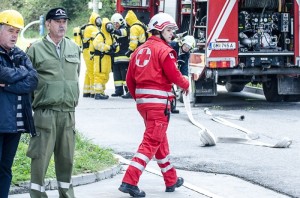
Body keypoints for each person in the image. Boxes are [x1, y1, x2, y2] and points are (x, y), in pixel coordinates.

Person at [118, 13, 189, 197]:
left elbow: (129, 80)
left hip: (144, 104)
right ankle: (129, 181)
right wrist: (186, 84)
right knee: (151, 142)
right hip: (159, 105)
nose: (172, 34)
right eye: (168, 30)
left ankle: (171, 179)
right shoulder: (164, 51)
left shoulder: (139, 51)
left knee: (159, 141)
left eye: (172, 30)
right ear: (158, 30)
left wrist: (140, 100)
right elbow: (174, 75)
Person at [26, 7, 81, 198]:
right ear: (48, 24)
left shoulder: (74, 48)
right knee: (40, 160)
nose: (62, 25)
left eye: (64, 21)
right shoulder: (35, 49)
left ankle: (67, 195)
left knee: (67, 160)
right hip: (45, 114)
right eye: (57, 21)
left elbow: (76, 76)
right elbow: (28, 83)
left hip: (68, 114)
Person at [0, 10, 38, 198]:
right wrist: (20, 73)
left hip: (14, 125)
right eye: (10, 30)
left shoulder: (19, 54)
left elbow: (33, 80)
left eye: (17, 31)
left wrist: (7, 85)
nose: (14, 35)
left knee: (6, 168)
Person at [122, 10, 149, 99]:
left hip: (137, 51)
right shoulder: (142, 25)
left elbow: (133, 42)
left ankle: (131, 91)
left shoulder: (134, 28)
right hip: (145, 50)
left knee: (133, 72)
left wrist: (129, 50)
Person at [91, 18, 119, 100]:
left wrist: (114, 48)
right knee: (99, 74)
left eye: (110, 26)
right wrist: (109, 47)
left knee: (105, 76)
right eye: (108, 26)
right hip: (100, 58)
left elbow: (116, 45)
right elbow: (97, 44)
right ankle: (98, 93)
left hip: (107, 57)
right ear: (104, 26)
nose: (110, 28)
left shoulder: (110, 36)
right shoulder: (100, 35)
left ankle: (101, 92)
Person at [170, 35, 195, 113]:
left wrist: (185, 81)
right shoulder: (173, 46)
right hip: (165, 69)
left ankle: (172, 107)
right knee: (168, 89)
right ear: (182, 43)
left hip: (173, 70)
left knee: (172, 91)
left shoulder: (186, 55)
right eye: (186, 45)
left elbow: (184, 68)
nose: (187, 48)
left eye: (189, 47)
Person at [80, 12, 101, 98]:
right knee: (92, 71)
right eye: (97, 20)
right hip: (89, 51)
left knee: (88, 71)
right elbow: (99, 37)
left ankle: (86, 91)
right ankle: (93, 92)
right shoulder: (92, 28)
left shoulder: (87, 27)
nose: (98, 22)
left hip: (86, 51)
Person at [110, 13, 130, 97]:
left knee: (124, 75)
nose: (116, 25)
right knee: (117, 76)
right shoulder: (115, 32)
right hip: (116, 58)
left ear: (121, 22)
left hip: (124, 58)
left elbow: (122, 33)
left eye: (117, 23)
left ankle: (128, 91)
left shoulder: (125, 29)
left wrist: (112, 31)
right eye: (114, 24)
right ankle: (118, 91)